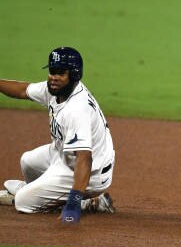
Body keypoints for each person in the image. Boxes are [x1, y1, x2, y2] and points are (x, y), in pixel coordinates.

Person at [0, 47, 116, 223]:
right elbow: (23, 90)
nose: (54, 77)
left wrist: (74, 203)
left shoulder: (77, 109)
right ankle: (39, 192)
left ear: (74, 75)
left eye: (61, 73)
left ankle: (90, 203)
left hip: (92, 173)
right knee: (28, 161)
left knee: (23, 202)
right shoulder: (56, 90)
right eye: (52, 71)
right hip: (65, 155)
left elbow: (84, 158)